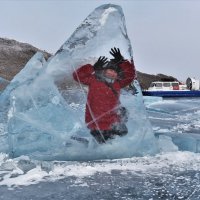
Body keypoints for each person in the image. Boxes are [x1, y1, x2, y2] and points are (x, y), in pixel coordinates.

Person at [73, 47, 135, 143]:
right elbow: (77, 75)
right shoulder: (93, 80)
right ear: (104, 70)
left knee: (119, 145)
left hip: (114, 123)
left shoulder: (118, 83)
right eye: (110, 70)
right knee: (103, 147)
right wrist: (92, 67)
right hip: (97, 124)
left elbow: (131, 76)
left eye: (115, 72)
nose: (112, 73)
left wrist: (122, 61)